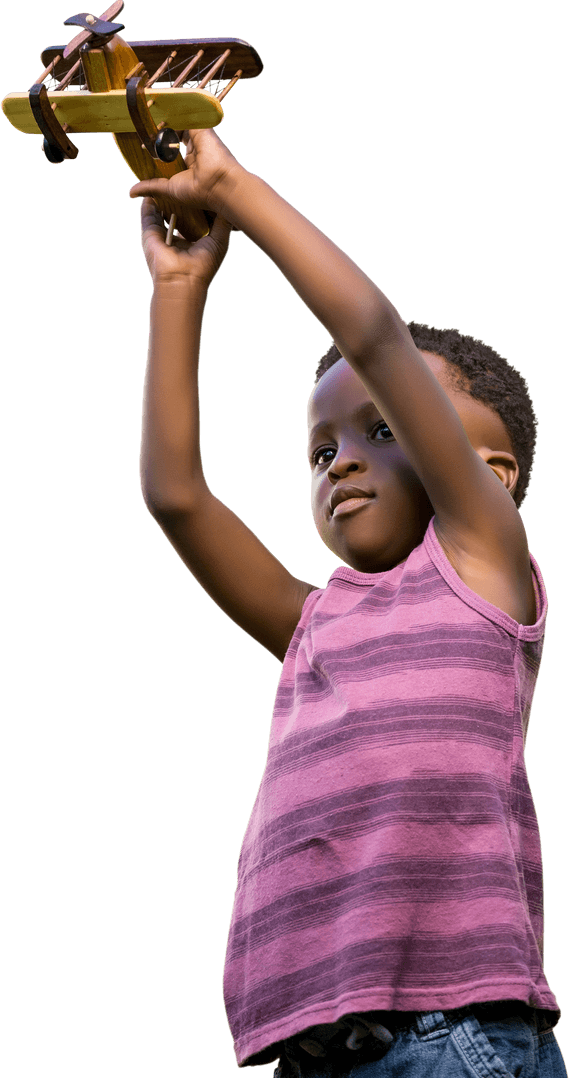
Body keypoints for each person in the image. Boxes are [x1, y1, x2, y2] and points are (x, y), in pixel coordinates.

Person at [129, 128, 566, 1077]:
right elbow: (176, 495)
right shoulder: (312, 625)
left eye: (381, 427)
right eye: (321, 451)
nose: (343, 463)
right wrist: (177, 288)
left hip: (448, 1037)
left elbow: (373, 332)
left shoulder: (484, 569)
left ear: (490, 473)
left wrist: (233, 189)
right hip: (316, 1053)